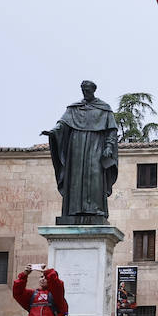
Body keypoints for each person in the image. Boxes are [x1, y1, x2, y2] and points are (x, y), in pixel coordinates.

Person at [42, 80, 120, 224]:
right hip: (76, 148)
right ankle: (73, 210)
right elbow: (62, 124)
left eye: (87, 90)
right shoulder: (74, 108)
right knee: (76, 178)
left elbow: (112, 131)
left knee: (95, 176)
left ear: (93, 90)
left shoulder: (104, 109)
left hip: (96, 147)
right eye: (83, 89)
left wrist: (109, 147)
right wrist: (53, 132)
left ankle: (96, 209)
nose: (85, 92)